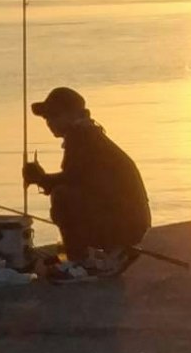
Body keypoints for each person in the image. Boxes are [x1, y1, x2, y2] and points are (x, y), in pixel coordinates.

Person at [21, 86, 151, 278]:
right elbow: (83, 179)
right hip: (131, 220)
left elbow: (74, 181)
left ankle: (80, 262)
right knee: (65, 194)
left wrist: (41, 179)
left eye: (55, 115)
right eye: (46, 117)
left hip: (126, 222)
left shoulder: (82, 138)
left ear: (73, 115)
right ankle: (106, 252)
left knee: (62, 197)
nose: (49, 122)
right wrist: (43, 179)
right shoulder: (87, 135)